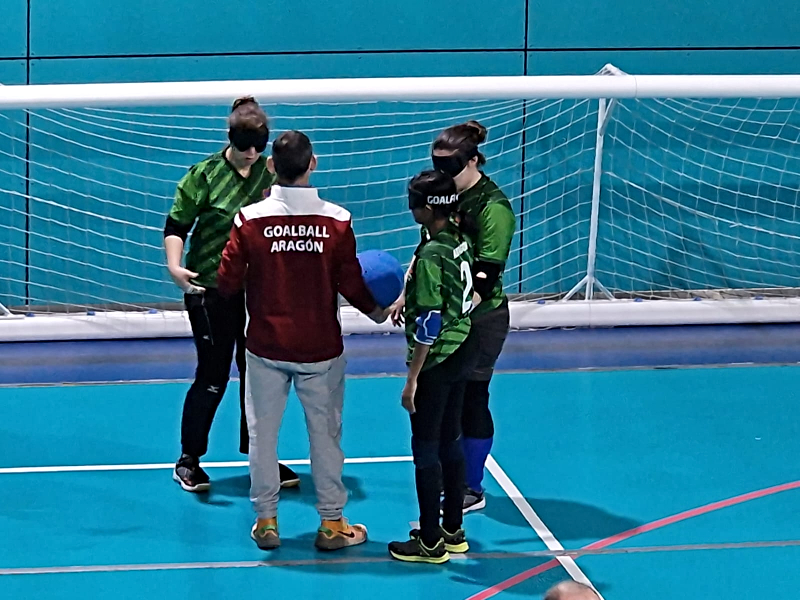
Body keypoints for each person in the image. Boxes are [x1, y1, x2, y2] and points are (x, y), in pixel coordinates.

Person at [216, 130, 392, 551]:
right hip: (321, 349)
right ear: (313, 164)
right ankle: (332, 525)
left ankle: (266, 522)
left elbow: (227, 282)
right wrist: (378, 311)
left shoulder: (248, 220)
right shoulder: (338, 220)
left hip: (265, 346)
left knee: (262, 437)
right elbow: (350, 280)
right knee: (325, 437)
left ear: (271, 166)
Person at [163, 96, 299, 493]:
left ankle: (260, 456)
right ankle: (189, 459)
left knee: (259, 376)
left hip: (257, 292)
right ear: (230, 138)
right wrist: (175, 266)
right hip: (209, 289)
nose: (251, 154)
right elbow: (176, 226)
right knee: (213, 374)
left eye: (259, 147)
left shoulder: (270, 174)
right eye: (244, 146)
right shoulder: (203, 175)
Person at [388, 170, 479, 564]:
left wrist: (412, 380)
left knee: (425, 449)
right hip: (465, 347)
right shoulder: (456, 237)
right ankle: (453, 530)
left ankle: (428, 541)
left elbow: (429, 324)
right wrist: (405, 296)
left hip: (438, 359)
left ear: (426, 208)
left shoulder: (430, 255)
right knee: (450, 439)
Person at [432, 120, 516, 513]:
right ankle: (453, 473)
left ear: (473, 161)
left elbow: (487, 274)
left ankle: (472, 486)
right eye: (437, 164)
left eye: (450, 166)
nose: (442, 173)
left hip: (481, 319)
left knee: (472, 398)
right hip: (451, 317)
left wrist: (454, 309)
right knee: (447, 399)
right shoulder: (445, 196)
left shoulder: (493, 208)